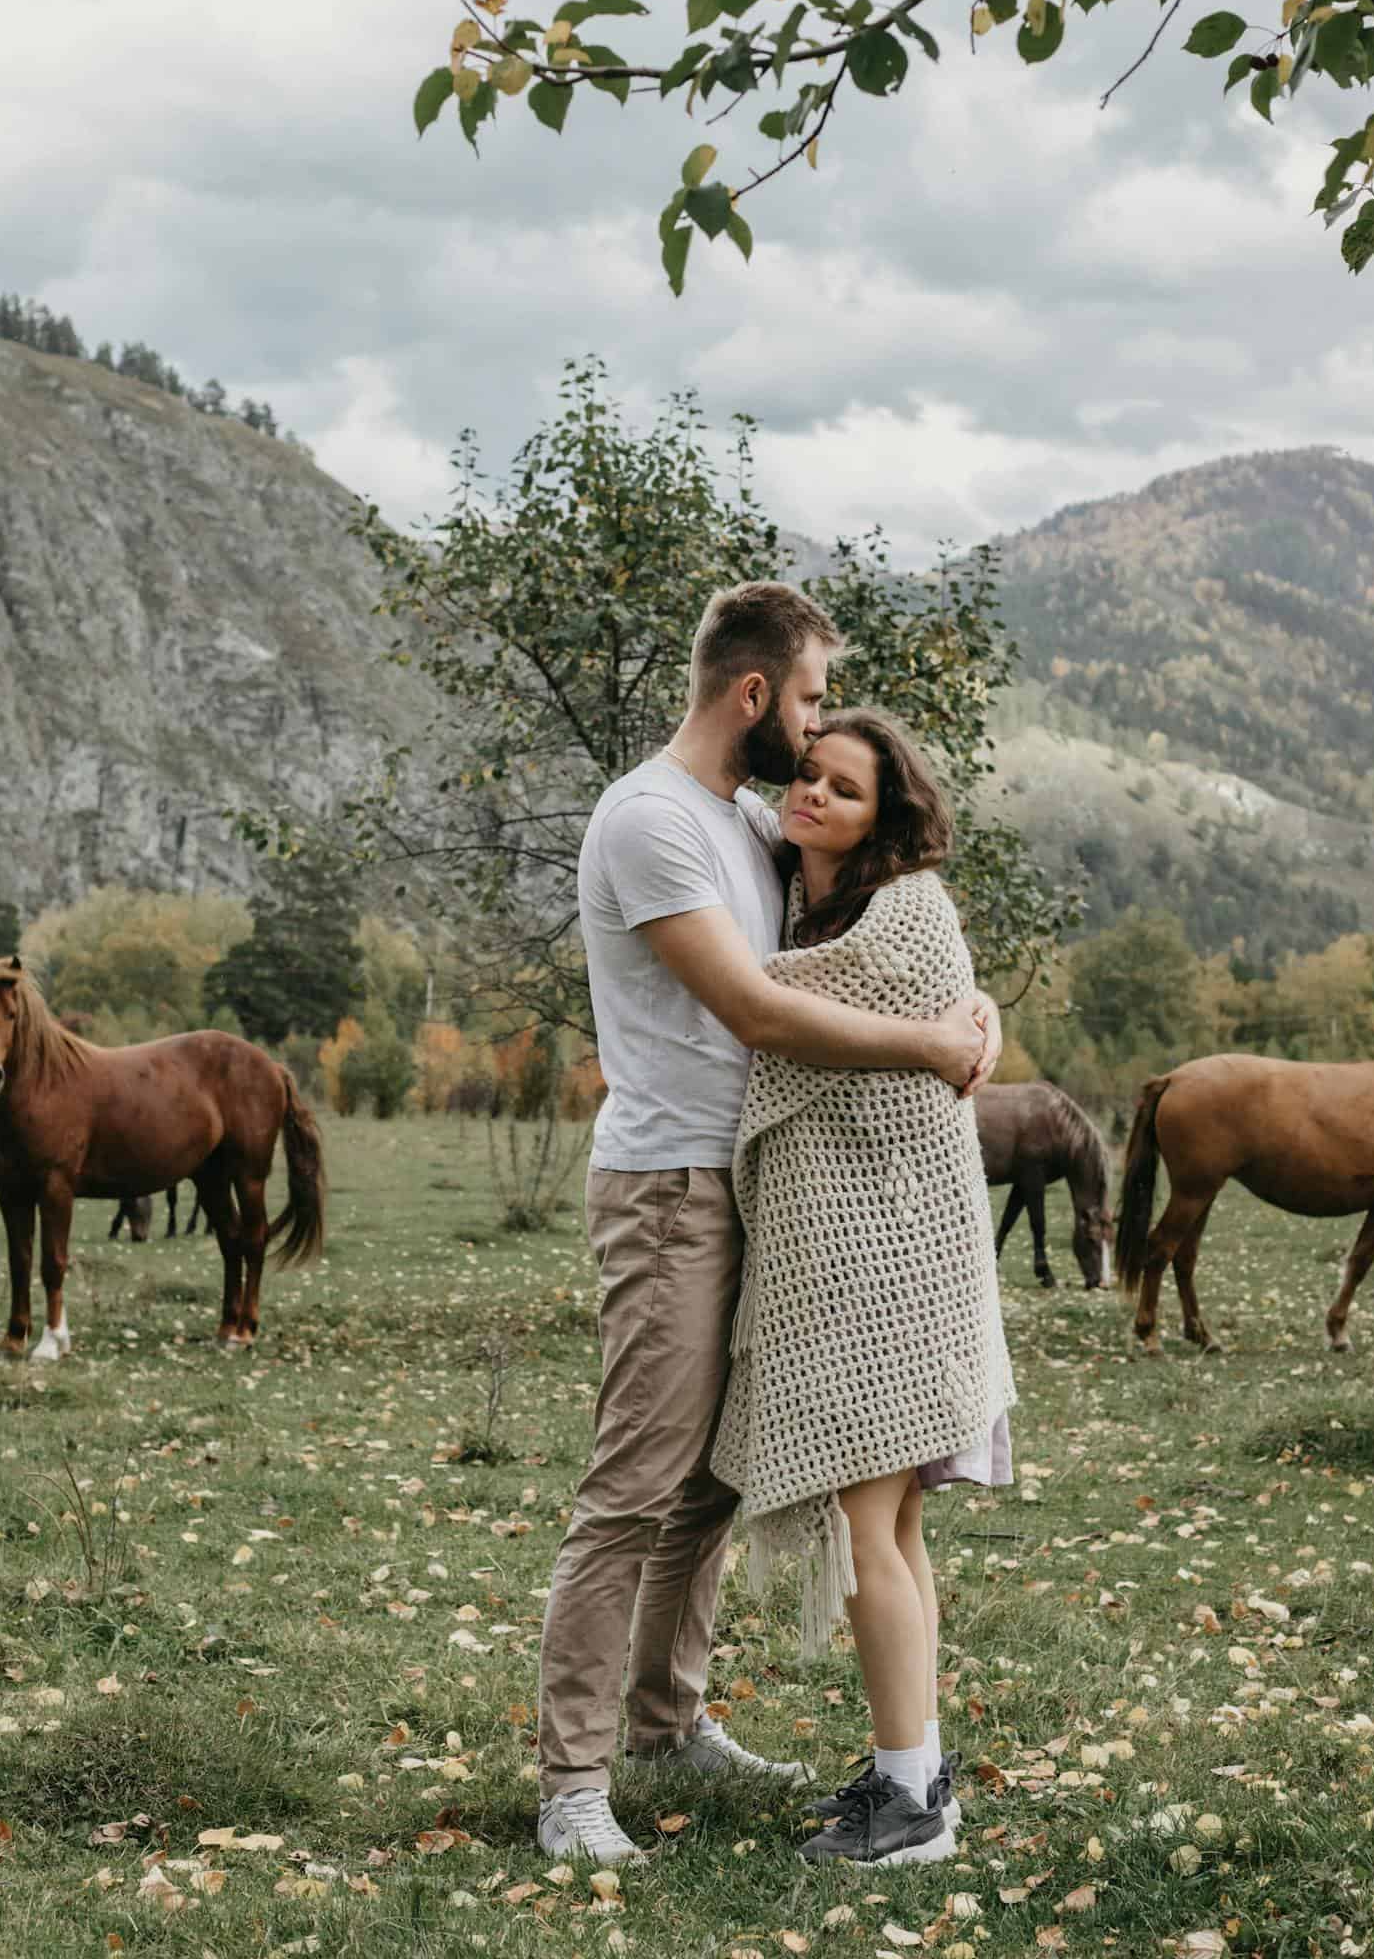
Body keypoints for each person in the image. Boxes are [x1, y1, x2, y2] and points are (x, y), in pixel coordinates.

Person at [536, 582, 1002, 1866]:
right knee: (634, 1488)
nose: (809, 734)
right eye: (802, 701)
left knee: (708, 1488)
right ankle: (574, 1782)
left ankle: (665, 1720)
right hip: (675, 1187)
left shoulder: (748, 820)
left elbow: (872, 933)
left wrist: (974, 1018)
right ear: (752, 695)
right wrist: (935, 1047)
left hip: (761, 1193)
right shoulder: (650, 824)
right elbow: (757, 1008)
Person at [710, 707, 1017, 1869]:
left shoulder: (903, 911)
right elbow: (726, 792)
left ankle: (911, 1807)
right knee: (890, 1524)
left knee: (866, 1526)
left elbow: (768, 1001)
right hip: (864, 1258)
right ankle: (916, 1771)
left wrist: (974, 1015)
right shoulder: (798, 891)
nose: (814, 797)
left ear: (886, 815)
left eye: (844, 788)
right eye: (810, 776)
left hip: (896, 1258)